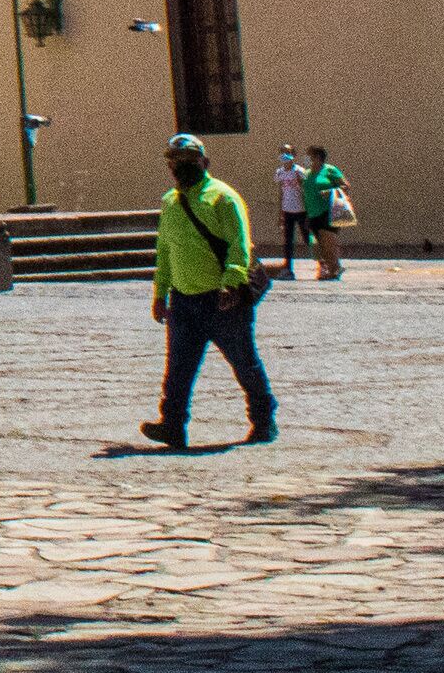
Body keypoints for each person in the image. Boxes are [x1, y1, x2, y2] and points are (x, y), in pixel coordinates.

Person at [143, 133, 275, 450]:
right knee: (177, 369)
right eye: (175, 162)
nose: (181, 166)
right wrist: (160, 293)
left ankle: (263, 419)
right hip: (184, 300)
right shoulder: (170, 202)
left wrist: (232, 282)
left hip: (223, 300)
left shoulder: (223, 198)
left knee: (244, 363)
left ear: (204, 162)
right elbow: (165, 251)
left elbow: (239, 246)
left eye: (188, 160)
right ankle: (172, 426)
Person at [300, 145, 348, 281]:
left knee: (328, 241)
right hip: (312, 213)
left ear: (318, 158)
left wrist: (331, 191)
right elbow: (305, 194)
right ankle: (331, 267)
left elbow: (345, 186)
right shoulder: (306, 174)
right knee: (318, 244)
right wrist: (306, 214)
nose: (306, 159)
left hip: (329, 211)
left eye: (309, 156)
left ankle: (333, 269)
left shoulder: (330, 170)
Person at [272, 145, 310, 279]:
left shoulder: (299, 171)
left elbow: (306, 190)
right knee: (288, 241)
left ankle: (323, 263)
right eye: (282, 152)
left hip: (301, 210)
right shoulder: (279, 172)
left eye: (288, 152)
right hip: (287, 211)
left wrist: (308, 211)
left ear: (293, 155)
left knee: (308, 238)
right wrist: (280, 213)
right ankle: (288, 269)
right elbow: (281, 192)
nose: (285, 155)